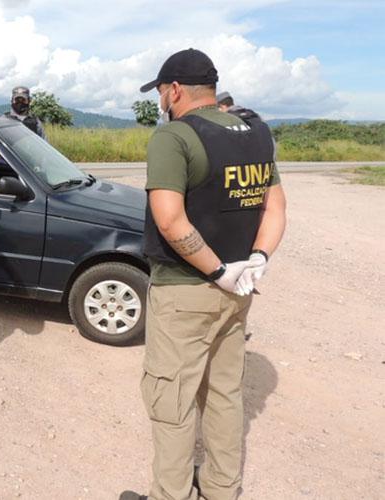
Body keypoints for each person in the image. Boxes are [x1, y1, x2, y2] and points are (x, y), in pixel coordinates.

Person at [120, 48, 287, 500]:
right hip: (238, 292)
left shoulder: (173, 136)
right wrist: (258, 260)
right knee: (224, 396)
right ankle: (220, 488)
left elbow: (171, 220)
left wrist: (216, 271)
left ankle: (170, 495)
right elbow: (275, 207)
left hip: (186, 291)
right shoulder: (255, 131)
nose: (159, 100)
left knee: (170, 402)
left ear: (174, 89)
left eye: (159, 92)